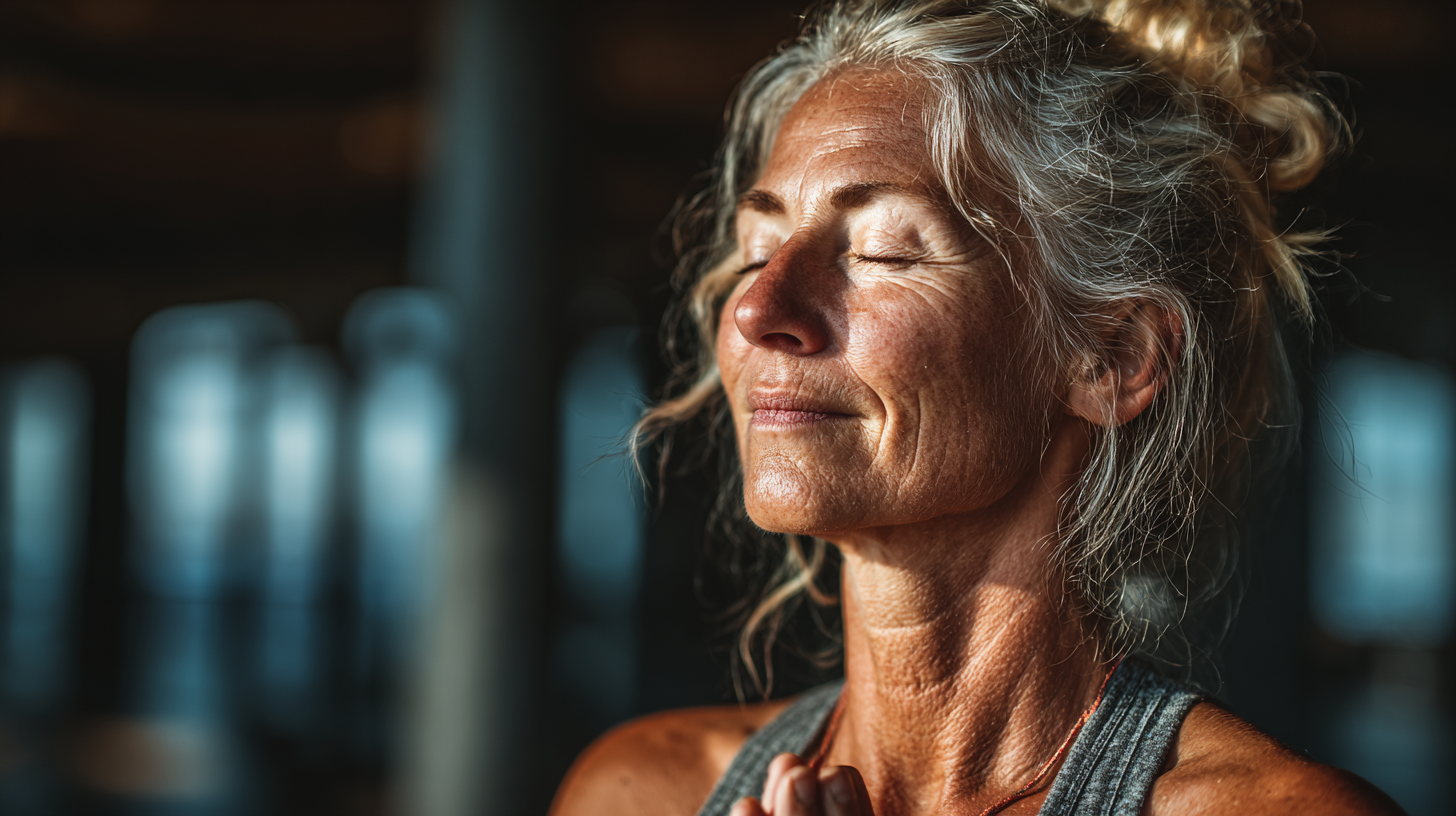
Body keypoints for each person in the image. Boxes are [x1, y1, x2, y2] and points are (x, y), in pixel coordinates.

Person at [551, 1, 1402, 814]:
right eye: (757, 251)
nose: (756, 309)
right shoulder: (637, 792)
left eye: (883, 251)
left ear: (1113, 356)